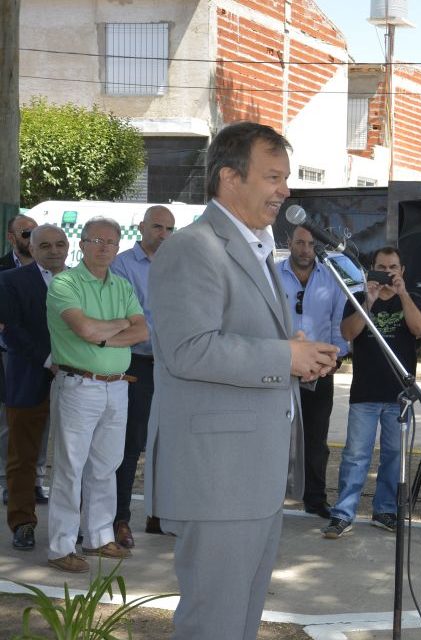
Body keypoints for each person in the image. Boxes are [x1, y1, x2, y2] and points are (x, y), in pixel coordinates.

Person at [146, 122, 339, 639]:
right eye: (273, 177)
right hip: (218, 480)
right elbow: (190, 349)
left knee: (240, 624)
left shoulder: (254, 246)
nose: (286, 190)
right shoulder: (194, 247)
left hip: (250, 479)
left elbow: (244, 342)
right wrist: (285, 355)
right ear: (231, 179)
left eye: (287, 178)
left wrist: (298, 355)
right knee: (214, 625)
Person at [46, 218, 148, 572]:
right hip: (79, 385)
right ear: (83, 244)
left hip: (117, 385)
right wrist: (118, 326)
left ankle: (98, 537)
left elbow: (143, 330)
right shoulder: (64, 283)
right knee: (69, 469)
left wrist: (103, 334)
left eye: (111, 241)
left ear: (118, 247)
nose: (104, 247)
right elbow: (84, 329)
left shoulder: (122, 286)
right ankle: (60, 547)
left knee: (106, 467)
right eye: (96, 240)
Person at [322, 246, 421, 538]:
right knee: (356, 455)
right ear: (372, 269)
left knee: (394, 456)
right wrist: (368, 301)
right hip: (365, 393)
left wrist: (403, 294)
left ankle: (384, 511)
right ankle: (343, 514)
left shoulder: (414, 299)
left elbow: (418, 330)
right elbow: (347, 333)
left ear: (401, 271)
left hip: (399, 396)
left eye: (393, 267)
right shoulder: (358, 299)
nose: (388, 272)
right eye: (382, 266)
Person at [109, 205, 175, 548]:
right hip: (135, 362)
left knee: (166, 444)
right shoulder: (122, 265)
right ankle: (121, 519)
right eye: (157, 227)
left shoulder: (178, 265)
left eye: (169, 229)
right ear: (142, 227)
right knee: (132, 444)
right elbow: (126, 319)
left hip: (171, 365)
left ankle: (158, 514)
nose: (163, 234)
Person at [1, 225, 68, 550]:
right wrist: (48, 359)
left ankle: (73, 525)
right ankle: (23, 522)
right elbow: (9, 330)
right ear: (33, 247)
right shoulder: (12, 281)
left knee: (75, 457)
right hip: (29, 378)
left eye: (60, 244)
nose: (54, 251)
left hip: (77, 380)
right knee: (23, 457)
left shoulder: (82, 281)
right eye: (46, 245)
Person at [277, 225, 350, 521]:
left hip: (320, 372)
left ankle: (316, 499)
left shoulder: (331, 278)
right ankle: (270, 497)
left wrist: (335, 358)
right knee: (275, 436)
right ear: (289, 243)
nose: (305, 249)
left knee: (316, 440)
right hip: (279, 367)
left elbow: (338, 323)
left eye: (310, 244)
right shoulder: (272, 274)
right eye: (300, 243)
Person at [1, 214, 43, 507]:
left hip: (48, 361)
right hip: (10, 357)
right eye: (26, 233)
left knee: (46, 425)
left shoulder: (57, 274)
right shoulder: (3, 272)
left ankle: (37, 481)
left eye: (35, 233)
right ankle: (9, 484)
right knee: (10, 426)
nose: (32, 239)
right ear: (11, 238)